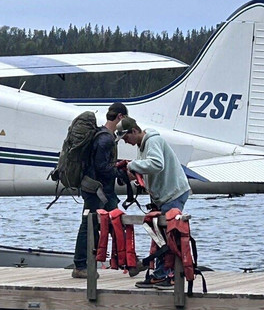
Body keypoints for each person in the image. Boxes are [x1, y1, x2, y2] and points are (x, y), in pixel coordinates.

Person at [117, 116, 192, 283]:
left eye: (127, 137)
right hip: (165, 195)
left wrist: (131, 165)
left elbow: (157, 164)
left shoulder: (153, 141)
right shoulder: (142, 144)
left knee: (168, 235)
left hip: (173, 193)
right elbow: (150, 167)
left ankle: (168, 275)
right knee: (160, 234)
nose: (126, 142)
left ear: (135, 131)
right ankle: (160, 273)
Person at [71, 101, 128, 279]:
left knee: (112, 221)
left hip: (96, 189)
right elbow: (102, 166)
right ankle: (81, 265)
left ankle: (127, 262)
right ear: (120, 117)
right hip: (98, 191)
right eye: (124, 119)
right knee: (91, 225)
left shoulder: (101, 135)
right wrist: (121, 173)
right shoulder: (106, 139)